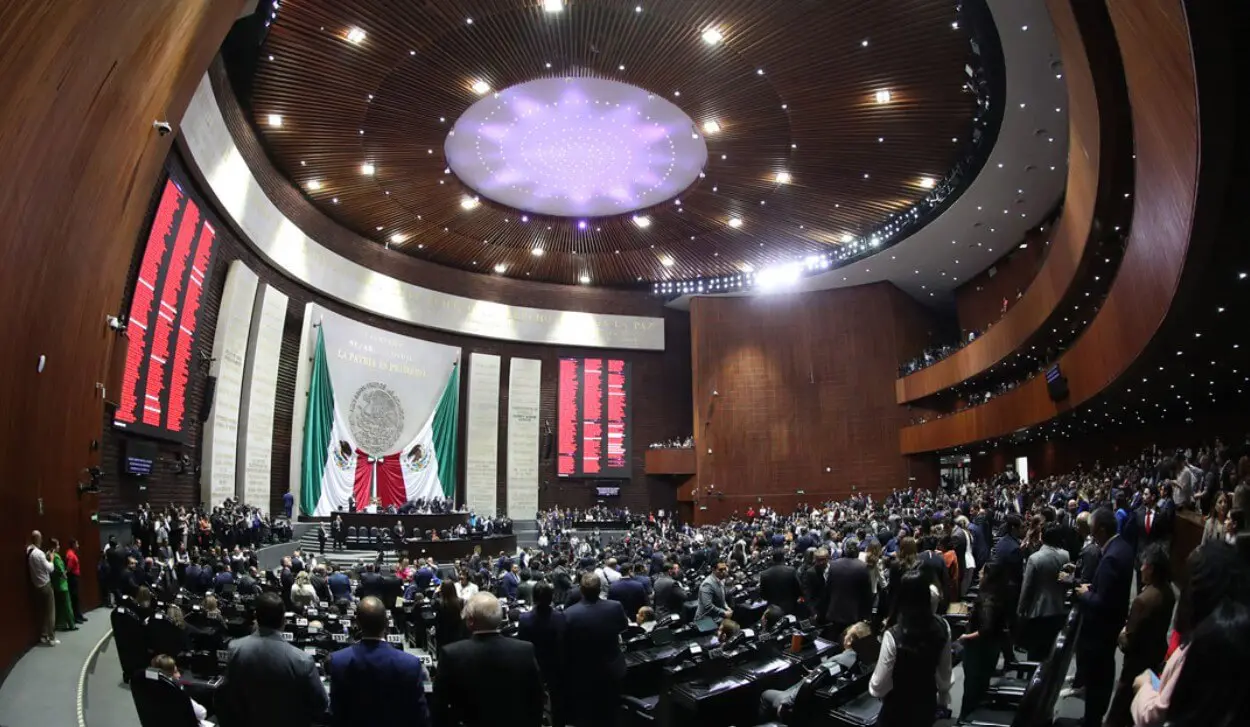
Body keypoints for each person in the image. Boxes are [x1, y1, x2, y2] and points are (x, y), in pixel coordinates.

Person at [1130, 541, 1250, 725]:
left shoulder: (1207, 645)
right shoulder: (1234, 631)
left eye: (1192, 580)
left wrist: (1144, 685)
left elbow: (1157, 715)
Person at [216, 592, 328, 727]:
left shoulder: (234, 648)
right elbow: (321, 704)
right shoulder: (302, 660)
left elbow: (229, 692)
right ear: (283, 620)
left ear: (256, 617)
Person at [433, 593, 544, 727]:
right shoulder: (525, 650)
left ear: (470, 621)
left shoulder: (451, 654)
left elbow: (440, 706)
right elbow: (536, 699)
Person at [328, 596, 430, 727]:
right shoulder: (410, 664)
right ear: (386, 622)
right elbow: (419, 715)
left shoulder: (338, 661)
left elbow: (336, 712)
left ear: (357, 623)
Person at [869, 570, 953, 727]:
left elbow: (878, 687)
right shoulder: (943, 626)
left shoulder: (893, 635)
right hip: (926, 703)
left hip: (897, 710)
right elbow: (945, 671)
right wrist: (942, 698)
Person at [1075, 507, 1134, 727]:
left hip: (1101, 630)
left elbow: (1102, 602)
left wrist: (1085, 593)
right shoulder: (1123, 547)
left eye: (1091, 529)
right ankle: (1095, 716)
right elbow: (1110, 590)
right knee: (1103, 674)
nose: (1089, 534)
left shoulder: (1111, 557)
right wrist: (1094, 587)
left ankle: (1092, 720)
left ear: (1101, 529)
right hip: (1113, 624)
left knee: (1098, 678)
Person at [1105, 544, 1175, 727]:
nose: (1141, 568)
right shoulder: (1169, 592)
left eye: (1143, 565)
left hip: (1134, 665)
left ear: (1150, 568)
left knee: (1118, 714)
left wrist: (1121, 632)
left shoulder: (1142, 600)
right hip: (1154, 659)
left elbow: (1126, 642)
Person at [563, 573, 630, 727]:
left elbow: (566, 643)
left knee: (589, 714)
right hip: (612, 669)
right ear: (600, 589)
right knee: (613, 712)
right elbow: (623, 627)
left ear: (581, 590)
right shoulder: (615, 606)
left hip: (584, 672)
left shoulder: (569, 614)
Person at [959, 562, 1009, 720]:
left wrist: (965, 637)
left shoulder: (986, 599)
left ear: (988, 576)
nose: (979, 575)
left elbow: (985, 629)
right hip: (991, 649)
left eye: (981, 573)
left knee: (971, 690)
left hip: (978, 651)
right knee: (981, 688)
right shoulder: (1000, 594)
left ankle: (964, 720)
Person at [518, 581, 567, 727]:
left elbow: (523, 644)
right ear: (551, 597)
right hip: (556, 665)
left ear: (534, 598)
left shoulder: (524, 619)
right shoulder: (560, 617)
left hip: (535, 665)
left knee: (535, 702)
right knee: (558, 701)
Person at [1018, 524, 1070, 660]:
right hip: (1059, 607)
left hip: (1038, 610)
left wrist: (1021, 610)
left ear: (1042, 537)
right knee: (1051, 651)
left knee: (1035, 652)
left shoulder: (1035, 558)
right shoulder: (1065, 556)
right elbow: (1065, 581)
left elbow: (1027, 587)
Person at [821, 544, 873, 637]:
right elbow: (867, 593)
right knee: (850, 640)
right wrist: (867, 614)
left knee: (834, 639)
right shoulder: (863, 567)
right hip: (854, 612)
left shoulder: (833, 564)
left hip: (835, 609)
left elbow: (828, 588)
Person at [151, 654, 211, 727]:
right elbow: (202, 714)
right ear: (168, 677)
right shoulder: (177, 694)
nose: (179, 675)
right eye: (175, 672)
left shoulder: (146, 691)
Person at [27, 530, 57, 645]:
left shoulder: (29, 551)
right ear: (38, 539)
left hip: (36, 586)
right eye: (41, 538)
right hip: (45, 585)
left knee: (44, 612)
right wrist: (52, 558)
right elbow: (50, 569)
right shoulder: (39, 553)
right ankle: (52, 638)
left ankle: (43, 635)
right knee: (50, 612)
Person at [760, 548, 803, 615]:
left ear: (773, 559)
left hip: (773, 608)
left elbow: (763, 595)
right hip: (790, 606)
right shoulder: (791, 571)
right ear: (783, 558)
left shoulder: (764, 574)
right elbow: (798, 588)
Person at [48, 538, 76, 632]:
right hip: (62, 584)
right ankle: (72, 624)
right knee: (67, 605)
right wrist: (64, 575)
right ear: (54, 547)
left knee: (60, 606)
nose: (59, 547)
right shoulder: (55, 557)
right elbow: (61, 570)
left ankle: (61, 624)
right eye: (58, 545)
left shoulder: (49, 555)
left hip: (56, 584)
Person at [434, 580, 467, 653]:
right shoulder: (461, 601)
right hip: (457, 632)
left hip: (443, 633)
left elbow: (436, 618)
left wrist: (436, 592)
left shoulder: (439, 602)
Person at [65, 539, 86, 623]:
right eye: (77, 544)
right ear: (73, 544)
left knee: (76, 597)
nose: (78, 545)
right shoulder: (70, 554)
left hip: (75, 577)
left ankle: (79, 615)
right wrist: (65, 574)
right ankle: (76, 617)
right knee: (74, 598)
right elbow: (69, 568)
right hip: (72, 578)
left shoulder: (72, 553)